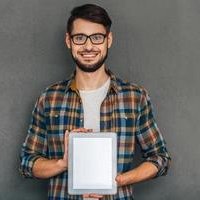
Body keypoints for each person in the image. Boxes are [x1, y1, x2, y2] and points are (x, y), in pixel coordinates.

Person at [19, 4, 171, 200]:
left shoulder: (135, 97)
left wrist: (119, 181)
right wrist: (63, 163)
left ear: (109, 40)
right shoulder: (49, 98)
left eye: (97, 37)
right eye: (80, 38)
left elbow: (160, 158)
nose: (88, 46)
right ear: (69, 41)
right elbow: (27, 163)